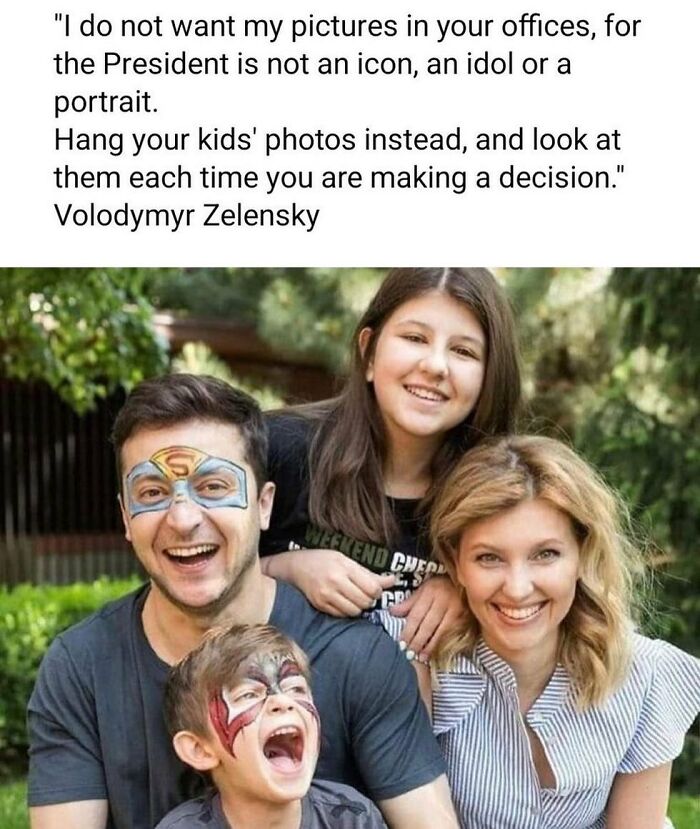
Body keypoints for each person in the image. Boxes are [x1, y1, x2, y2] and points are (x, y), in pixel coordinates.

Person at [27, 374, 456, 829]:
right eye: (152, 493)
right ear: (126, 518)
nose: (184, 519)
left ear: (264, 505)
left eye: (213, 487)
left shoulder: (357, 657)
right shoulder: (81, 668)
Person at [378, 435, 700, 829]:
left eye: (545, 554)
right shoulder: (416, 654)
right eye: (489, 558)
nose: (517, 588)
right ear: (454, 562)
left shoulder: (645, 675)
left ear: (582, 553)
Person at [260, 267, 521, 660]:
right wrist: (287, 568)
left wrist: (468, 589)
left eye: (463, 351)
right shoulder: (280, 447)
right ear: (368, 351)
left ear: (490, 376)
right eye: (415, 338)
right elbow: (198, 574)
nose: (436, 366)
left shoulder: (500, 492)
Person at [156, 623, 387, 829]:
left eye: (295, 688)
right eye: (247, 695)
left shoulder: (352, 817)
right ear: (199, 749)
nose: (282, 701)